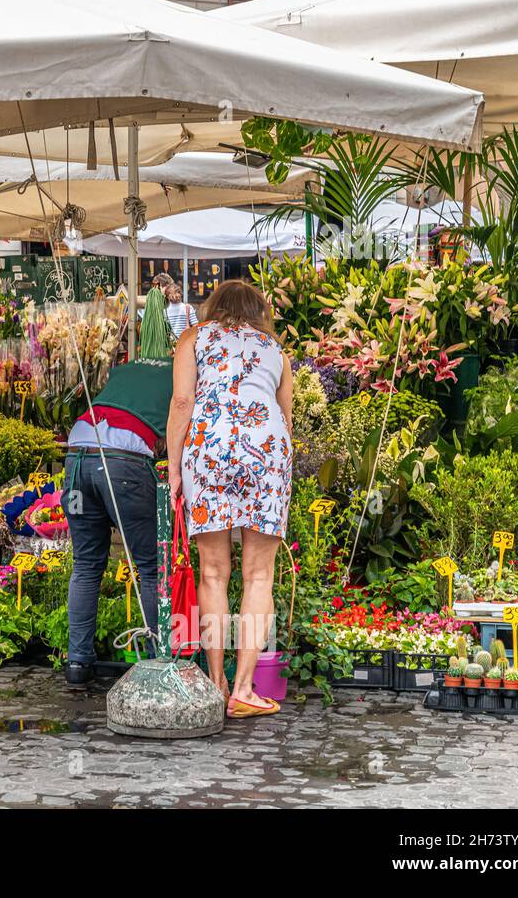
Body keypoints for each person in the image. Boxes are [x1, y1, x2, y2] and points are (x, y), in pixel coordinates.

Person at [166, 279, 293, 719]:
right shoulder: (276, 350)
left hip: (209, 450)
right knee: (260, 577)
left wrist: (173, 466)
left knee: (214, 573)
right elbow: (286, 418)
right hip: (266, 452)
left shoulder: (193, 338)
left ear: (212, 308)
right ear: (260, 311)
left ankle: (216, 683)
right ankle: (244, 688)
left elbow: (183, 402)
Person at [61, 357, 173, 686]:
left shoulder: (127, 369)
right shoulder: (183, 371)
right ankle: (158, 660)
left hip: (76, 460)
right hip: (123, 464)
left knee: (85, 565)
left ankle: (77, 663)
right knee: (150, 566)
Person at [153, 273, 197, 339]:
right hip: (184, 343)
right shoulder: (187, 307)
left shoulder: (164, 310)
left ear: (167, 295)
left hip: (171, 344)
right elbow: (196, 327)